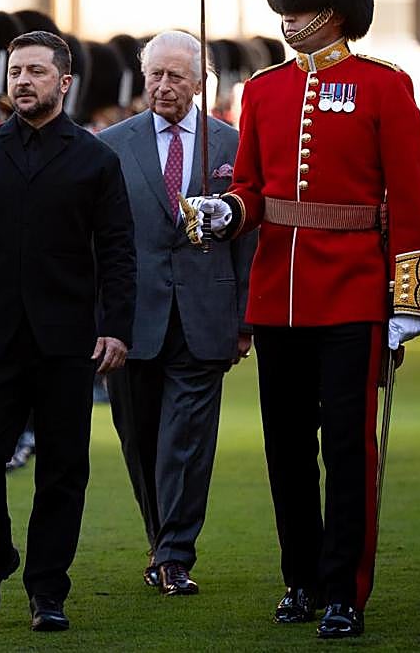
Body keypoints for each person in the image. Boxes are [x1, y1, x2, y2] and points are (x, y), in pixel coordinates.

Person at [188, 0, 420, 639]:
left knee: (348, 450)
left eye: (301, 6)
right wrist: (227, 211)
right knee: (286, 451)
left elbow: (413, 208)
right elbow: (258, 191)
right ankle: (298, 578)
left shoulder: (384, 88)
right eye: (285, 5)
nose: (289, 19)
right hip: (279, 297)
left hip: (355, 295)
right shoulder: (261, 92)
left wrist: (406, 301)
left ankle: (343, 589)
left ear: (334, 6)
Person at [0, 30, 136, 632]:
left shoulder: (97, 160)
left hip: (69, 341)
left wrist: (116, 328)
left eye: (36, 72)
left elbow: (118, 251)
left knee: (64, 467)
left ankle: (48, 588)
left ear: (64, 83)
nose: (22, 81)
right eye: (16, 71)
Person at [98, 30, 257, 596]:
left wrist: (244, 321)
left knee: (185, 442)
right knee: (139, 442)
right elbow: (98, 242)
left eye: (176, 77)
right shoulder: (111, 145)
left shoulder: (232, 146)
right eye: (155, 76)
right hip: (131, 322)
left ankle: (174, 555)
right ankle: (158, 539)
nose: (164, 88)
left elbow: (249, 240)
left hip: (205, 314)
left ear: (199, 82)